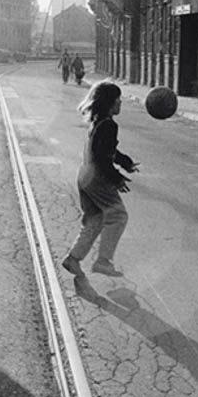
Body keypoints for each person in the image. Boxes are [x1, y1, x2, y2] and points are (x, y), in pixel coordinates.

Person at [62, 81, 140, 278]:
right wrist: (117, 179)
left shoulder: (98, 122)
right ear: (110, 103)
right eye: (118, 100)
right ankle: (103, 262)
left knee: (95, 220)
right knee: (118, 216)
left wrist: (125, 162)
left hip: (85, 176)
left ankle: (73, 259)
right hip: (97, 178)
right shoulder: (109, 125)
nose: (120, 104)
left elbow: (106, 150)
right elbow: (102, 157)